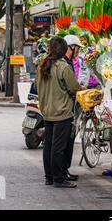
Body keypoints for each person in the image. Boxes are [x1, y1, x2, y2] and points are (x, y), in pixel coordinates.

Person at [35, 37, 82, 188]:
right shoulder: (63, 67)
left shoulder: (42, 66)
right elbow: (74, 88)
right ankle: (59, 179)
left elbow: (37, 87)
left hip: (47, 112)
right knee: (58, 147)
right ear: (63, 50)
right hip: (62, 113)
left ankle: (49, 177)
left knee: (48, 145)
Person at [62, 35, 86, 182]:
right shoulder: (65, 64)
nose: (78, 51)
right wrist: (80, 87)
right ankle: (62, 172)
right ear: (70, 47)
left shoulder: (67, 62)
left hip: (65, 107)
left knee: (66, 142)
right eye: (77, 48)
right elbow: (71, 87)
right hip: (65, 108)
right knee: (66, 142)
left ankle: (63, 171)